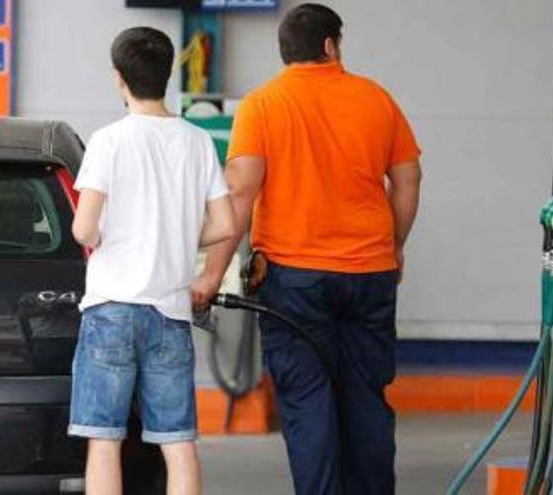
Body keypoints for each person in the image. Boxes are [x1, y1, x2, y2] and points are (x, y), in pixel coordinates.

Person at [192, 4, 423, 494]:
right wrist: (395, 245)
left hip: (293, 281)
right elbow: (407, 178)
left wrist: (212, 274)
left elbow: (240, 194)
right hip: (369, 274)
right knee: (365, 398)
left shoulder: (262, 104)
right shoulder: (375, 99)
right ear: (330, 45)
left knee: (307, 401)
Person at [68, 27, 235, 495]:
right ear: (168, 76)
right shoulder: (197, 141)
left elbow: (83, 229)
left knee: (104, 441)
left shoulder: (108, 141)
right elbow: (225, 223)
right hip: (170, 312)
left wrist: (109, 234)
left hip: (111, 311)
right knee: (177, 442)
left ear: (118, 79)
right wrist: (178, 238)